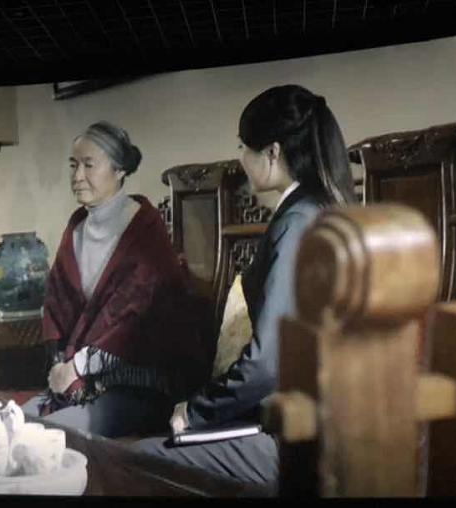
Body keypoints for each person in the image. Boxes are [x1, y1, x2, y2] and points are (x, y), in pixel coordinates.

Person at [133, 85, 357, 494]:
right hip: (322, 421)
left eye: (242, 146)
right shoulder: (324, 208)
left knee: (137, 461)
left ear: (272, 152)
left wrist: (196, 412)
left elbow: (269, 362)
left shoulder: (298, 221)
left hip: (300, 436)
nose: (239, 157)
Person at [21, 121, 213, 438]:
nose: (77, 176)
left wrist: (77, 367)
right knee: (15, 422)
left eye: (88, 165)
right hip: (81, 381)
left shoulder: (144, 231)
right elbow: (56, 306)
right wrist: (59, 365)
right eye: (73, 165)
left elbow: (133, 324)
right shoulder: (76, 228)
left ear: (120, 169)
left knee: (47, 434)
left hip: (139, 385)